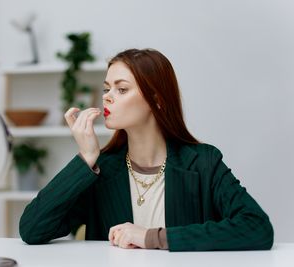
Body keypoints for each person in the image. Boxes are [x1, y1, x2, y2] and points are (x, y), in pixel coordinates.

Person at [19, 48, 274, 251]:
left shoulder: (203, 162)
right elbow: (32, 229)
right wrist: (86, 158)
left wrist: (153, 237)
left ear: (157, 100)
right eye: (107, 89)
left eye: (121, 89)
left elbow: (257, 227)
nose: (107, 97)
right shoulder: (102, 169)